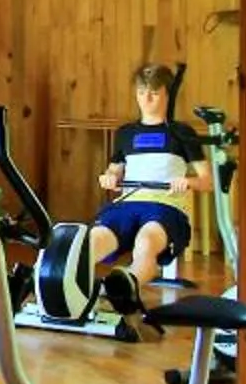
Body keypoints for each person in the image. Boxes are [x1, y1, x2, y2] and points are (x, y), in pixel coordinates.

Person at [84, 63, 210, 320]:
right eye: (141, 92)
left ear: (167, 95)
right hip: (128, 204)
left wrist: (187, 181)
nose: (146, 99)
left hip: (166, 207)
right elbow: (114, 172)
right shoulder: (125, 134)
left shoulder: (182, 133)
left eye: (153, 92)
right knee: (93, 239)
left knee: (145, 243)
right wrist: (109, 178)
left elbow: (207, 181)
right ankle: (65, 286)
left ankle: (124, 288)